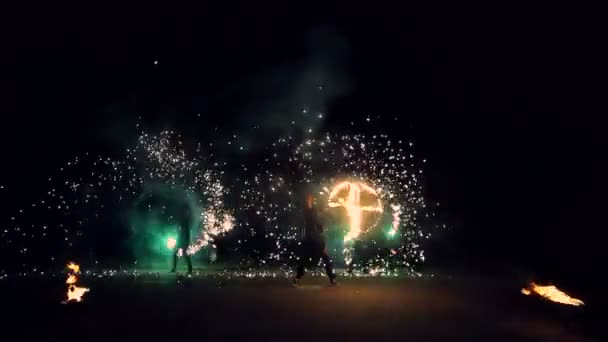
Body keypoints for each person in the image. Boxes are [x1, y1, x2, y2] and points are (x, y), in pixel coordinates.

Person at [293, 193, 336, 286]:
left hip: (316, 241)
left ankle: (332, 279)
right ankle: (297, 279)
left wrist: (322, 241)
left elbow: (319, 228)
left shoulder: (314, 215)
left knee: (325, 259)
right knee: (304, 260)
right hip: (310, 240)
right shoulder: (308, 214)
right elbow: (309, 214)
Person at [170, 203, 193, 275]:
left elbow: (186, 232)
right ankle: (175, 268)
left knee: (184, 254)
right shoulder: (183, 220)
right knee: (177, 253)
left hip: (184, 240)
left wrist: (187, 241)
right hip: (181, 239)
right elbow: (181, 230)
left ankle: (189, 269)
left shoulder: (185, 221)